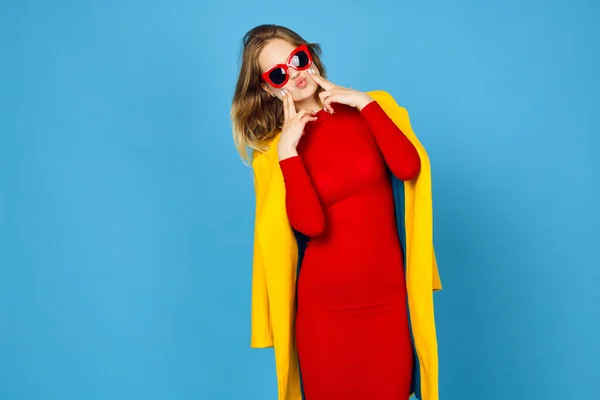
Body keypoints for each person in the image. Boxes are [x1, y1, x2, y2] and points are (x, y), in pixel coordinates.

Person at [231, 24, 442, 400]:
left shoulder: (374, 107)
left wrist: (363, 104)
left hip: (388, 306)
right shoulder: (275, 153)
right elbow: (311, 224)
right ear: (268, 87)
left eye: (297, 59)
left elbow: (408, 167)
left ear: (309, 54)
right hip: (325, 316)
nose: (294, 74)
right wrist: (289, 155)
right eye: (278, 73)